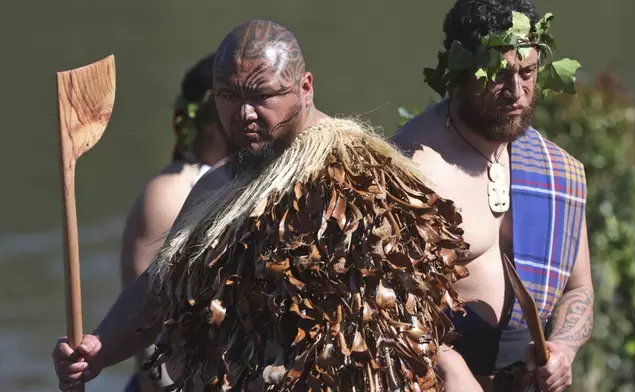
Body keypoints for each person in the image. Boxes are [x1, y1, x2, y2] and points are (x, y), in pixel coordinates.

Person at [53, 20, 470, 392]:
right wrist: (99, 347)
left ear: (305, 87)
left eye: (263, 95)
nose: (245, 113)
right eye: (228, 96)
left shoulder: (362, 178)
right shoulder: (216, 186)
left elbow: (402, 327)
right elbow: (162, 288)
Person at [390, 1, 594, 391]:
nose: (516, 91)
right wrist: (446, 363)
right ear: (461, 73)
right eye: (498, 75)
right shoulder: (410, 167)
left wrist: (563, 348)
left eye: (528, 71)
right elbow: (371, 298)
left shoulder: (558, 170)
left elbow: (579, 287)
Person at [118, 52, 229, 392]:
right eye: (237, 99)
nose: (252, 112)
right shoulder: (169, 195)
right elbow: (146, 331)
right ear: (211, 118)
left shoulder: (254, 177)